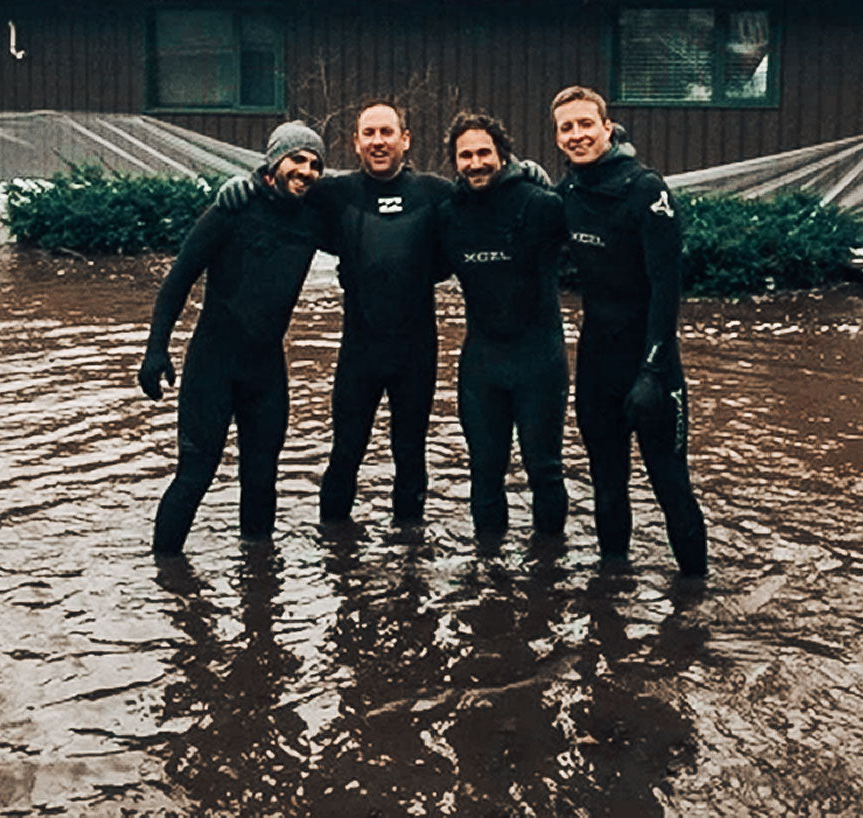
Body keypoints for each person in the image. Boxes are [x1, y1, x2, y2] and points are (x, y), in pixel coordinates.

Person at [217, 101, 453, 523]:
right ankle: (336, 556)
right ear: (355, 143)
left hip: (416, 353)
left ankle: (410, 561)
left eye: (386, 132)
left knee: (411, 454)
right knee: (345, 451)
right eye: (369, 133)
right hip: (360, 353)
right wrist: (249, 182)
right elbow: (284, 185)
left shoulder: (435, 194)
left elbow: (488, 199)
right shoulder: (337, 193)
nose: (378, 141)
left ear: (406, 139)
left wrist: (522, 172)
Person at [138, 121, 327, 552]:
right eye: (298, 159)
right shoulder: (231, 209)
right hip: (213, 365)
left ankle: (258, 588)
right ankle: (165, 575)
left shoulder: (315, 217)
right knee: (195, 475)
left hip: (266, 372)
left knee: (262, 478)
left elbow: (363, 202)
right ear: (274, 161)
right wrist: (156, 350)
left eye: (316, 164)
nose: (307, 170)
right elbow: (178, 280)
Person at [550, 85, 707, 575]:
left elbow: (667, 289)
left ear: (607, 127)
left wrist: (653, 370)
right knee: (607, 484)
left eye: (585, 124)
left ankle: (696, 600)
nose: (577, 135)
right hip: (597, 367)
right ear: (557, 138)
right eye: (566, 128)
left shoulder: (646, 189)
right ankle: (611, 599)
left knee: (670, 485)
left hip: (652, 368)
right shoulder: (567, 195)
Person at [436, 112, 569, 538]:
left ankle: (548, 575)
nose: (475, 163)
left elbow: (598, 248)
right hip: (482, 365)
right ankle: (487, 577)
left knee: (544, 470)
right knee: (484, 471)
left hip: (539, 361)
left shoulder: (541, 204)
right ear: (454, 162)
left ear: (503, 155)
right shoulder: (449, 214)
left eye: (483, 153)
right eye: (465, 155)